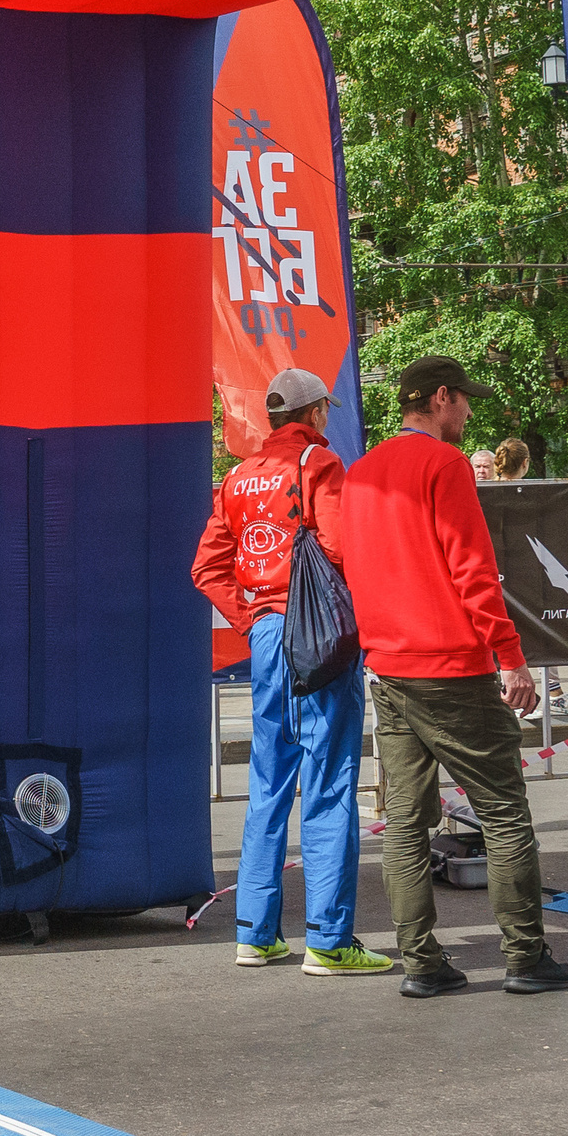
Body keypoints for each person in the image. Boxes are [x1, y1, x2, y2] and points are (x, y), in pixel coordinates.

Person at [342, 353, 568, 997]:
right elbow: (472, 568)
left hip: (390, 667)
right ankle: (525, 956)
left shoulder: (362, 472)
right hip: (450, 663)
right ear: (440, 398)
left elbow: (352, 563)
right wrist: (512, 658)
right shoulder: (443, 465)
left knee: (406, 821)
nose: (469, 411)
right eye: (464, 400)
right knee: (502, 811)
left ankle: (421, 961)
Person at [191, 369, 386, 976]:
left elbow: (208, 566)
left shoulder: (240, 477)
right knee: (329, 781)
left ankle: (255, 932)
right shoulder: (319, 466)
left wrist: (251, 618)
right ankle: (329, 940)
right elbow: (339, 548)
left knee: (269, 781)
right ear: (318, 413)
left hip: (269, 634)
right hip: (317, 633)